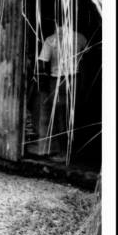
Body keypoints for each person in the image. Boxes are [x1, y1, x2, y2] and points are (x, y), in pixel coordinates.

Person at [31, 18, 87, 160]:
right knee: (75, 115)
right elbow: (87, 58)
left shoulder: (51, 40)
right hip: (76, 79)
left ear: (56, 22)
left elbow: (42, 63)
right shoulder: (80, 37)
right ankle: (75, 152)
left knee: (60, 117)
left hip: (57, 81)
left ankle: (63, 154)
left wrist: (42, 85)